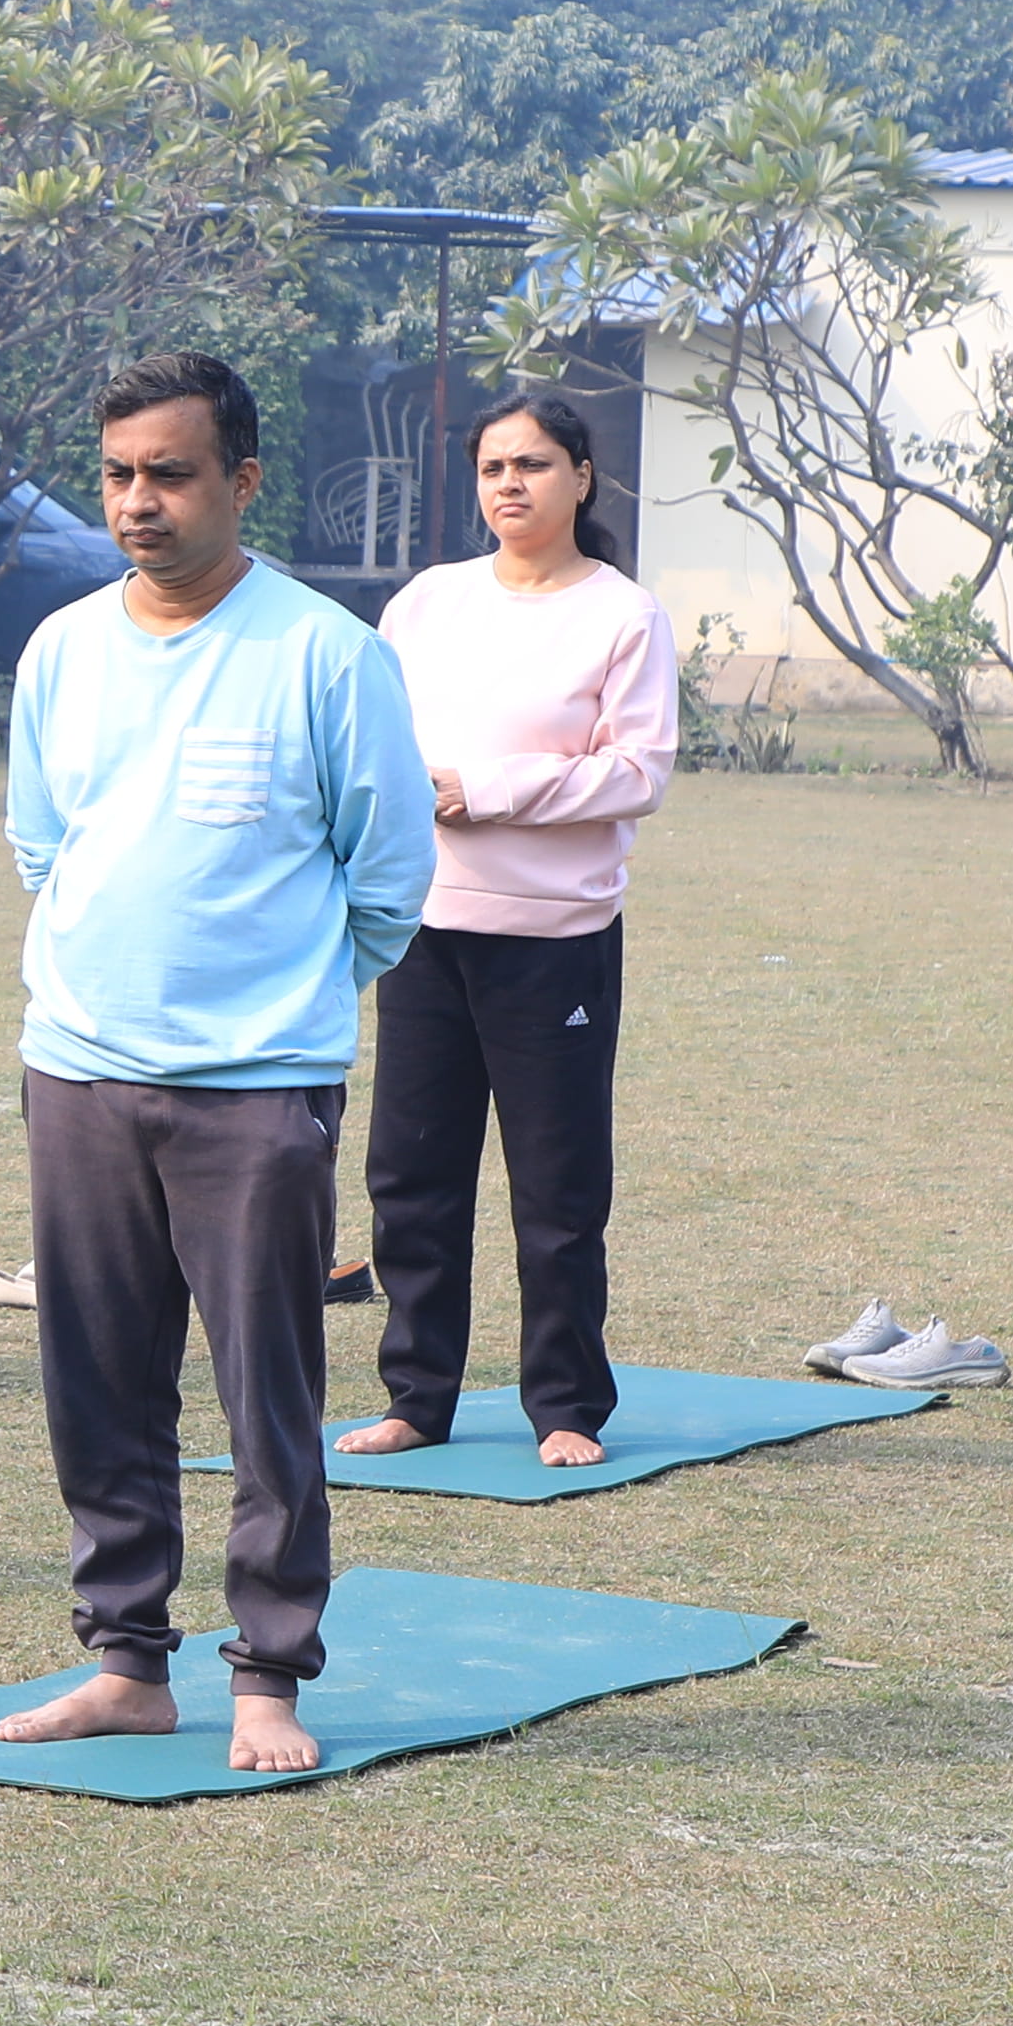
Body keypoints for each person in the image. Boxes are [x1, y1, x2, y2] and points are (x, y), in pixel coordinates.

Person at [0, 353, 432, 1772]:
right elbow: (43, 846)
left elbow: (389, 875)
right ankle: (126, 1661)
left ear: (241, 481)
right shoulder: (62, 649)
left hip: (258, 1084)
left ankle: (268, 1673)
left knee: (265, 1394)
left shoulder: (326, 652)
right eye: (119, 474)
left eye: (171, 475)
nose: (139, 501)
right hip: (79, 1067)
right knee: (99, 1383)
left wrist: (281, 1008)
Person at [347, 387, 678, 1471]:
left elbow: (637, 772)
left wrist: (483, 790)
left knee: (557, 1186)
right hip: (425, 929)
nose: (510, 484)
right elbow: (374, 736)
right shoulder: (428, 603)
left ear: (581, 478)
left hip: (555, 940)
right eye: (493, 467)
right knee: (411, 1176)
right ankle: (416, 1396)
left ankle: (566, 1405)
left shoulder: (623, 615)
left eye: (532, 464)